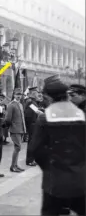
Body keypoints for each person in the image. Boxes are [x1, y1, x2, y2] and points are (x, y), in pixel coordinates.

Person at [29, 75, 85, 216]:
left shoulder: (45, 117)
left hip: (55, 180)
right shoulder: (81, 115)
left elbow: (35, 149)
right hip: (80, 179)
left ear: (49, 97)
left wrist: (48, 166)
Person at [4, 88, 26, 173]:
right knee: (18, 147)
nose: (19, 96)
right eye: (17, 94)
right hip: (15, 129)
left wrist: (24, 128)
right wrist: (11, 128)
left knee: (18, 148)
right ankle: (13, 166)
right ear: (14, 95)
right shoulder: (11, 105)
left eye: (20, 94)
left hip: (20, 129)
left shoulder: (20, 104)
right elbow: (8, 119)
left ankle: (15, 165)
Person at [24, 86, 42, 167]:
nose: (37, 94)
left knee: (33, 142)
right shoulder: (30, 102)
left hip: (34, 124)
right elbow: (28, 115)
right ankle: (29, 160)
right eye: (36, 93)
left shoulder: (33, 101)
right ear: (32, 93)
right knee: (31, 143)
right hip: (32, 125)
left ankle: (32, 159)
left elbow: (37, 111)